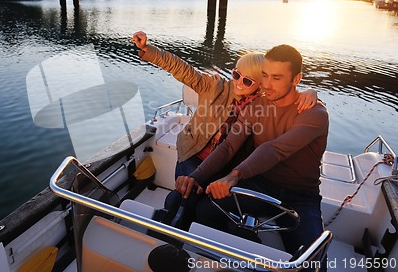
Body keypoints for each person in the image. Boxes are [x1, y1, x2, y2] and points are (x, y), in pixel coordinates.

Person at [131, 31, 318, 229]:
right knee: (187, 194)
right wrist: (148, 50)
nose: (238, 82)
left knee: (204, 202)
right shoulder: (214, 86)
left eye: (247, 81)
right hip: (193, 153)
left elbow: (286, 95)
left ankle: (182, 229)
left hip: (226, 165)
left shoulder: (262, 104)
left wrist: (311, 93)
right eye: (236, 74)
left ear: (260, 85)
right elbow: (181, 69)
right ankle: (174, 229)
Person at [179, 44, 328, 268]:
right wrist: (196, 177)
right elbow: (229, 146)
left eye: (277, 78)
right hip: (260, 184)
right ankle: (235, 255)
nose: (267, 85)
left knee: (312, 261)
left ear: (296, 79)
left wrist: (234, 175)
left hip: (299, 196)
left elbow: (275, 149)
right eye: (265, 76)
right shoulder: (256, 106)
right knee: (204, 210)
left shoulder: (314, 114)